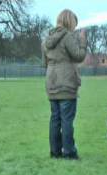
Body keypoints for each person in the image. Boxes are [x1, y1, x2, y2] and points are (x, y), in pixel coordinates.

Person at [41, 9, 87, 160]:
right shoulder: (67, 37)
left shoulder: (46, 39)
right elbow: (79, 56)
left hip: (51, 82)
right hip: (66, 83)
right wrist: (82, 41)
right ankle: (69, 152)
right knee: (67, 120)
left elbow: (44, 63)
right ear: (69, 21)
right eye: (74, 23)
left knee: (55, 119)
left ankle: (55, 153)